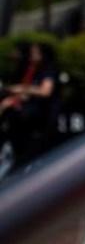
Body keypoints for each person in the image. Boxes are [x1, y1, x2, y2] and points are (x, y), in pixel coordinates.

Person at [0, 41, 59, 172]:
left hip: (41, 117)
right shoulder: (31, 69)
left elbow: (45, 91)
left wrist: (22, 89)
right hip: (27, 117)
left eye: (35, 53)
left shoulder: (48, 70)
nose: (32, 56)